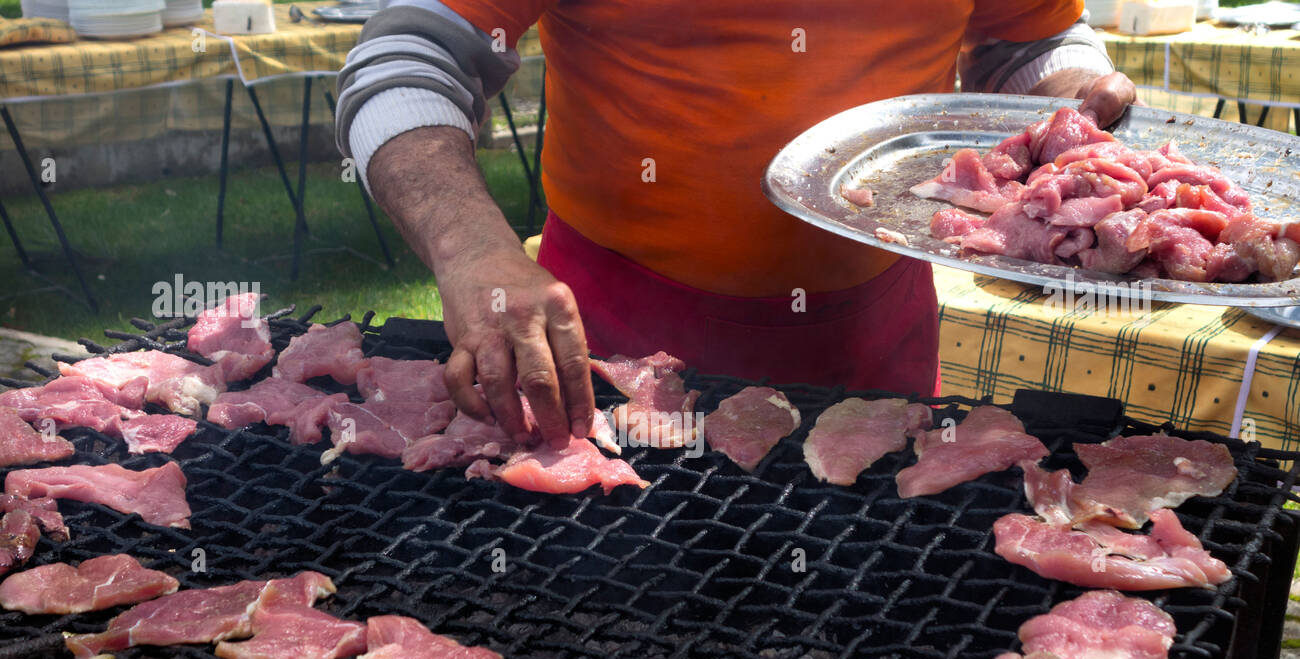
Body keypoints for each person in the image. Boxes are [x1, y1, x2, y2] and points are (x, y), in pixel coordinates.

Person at [335, 1, 1136, 449]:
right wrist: (473, 250)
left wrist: (1073, 91)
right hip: (613, 357)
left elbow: (1025, 36)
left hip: (875, 338)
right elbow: (402, 57)